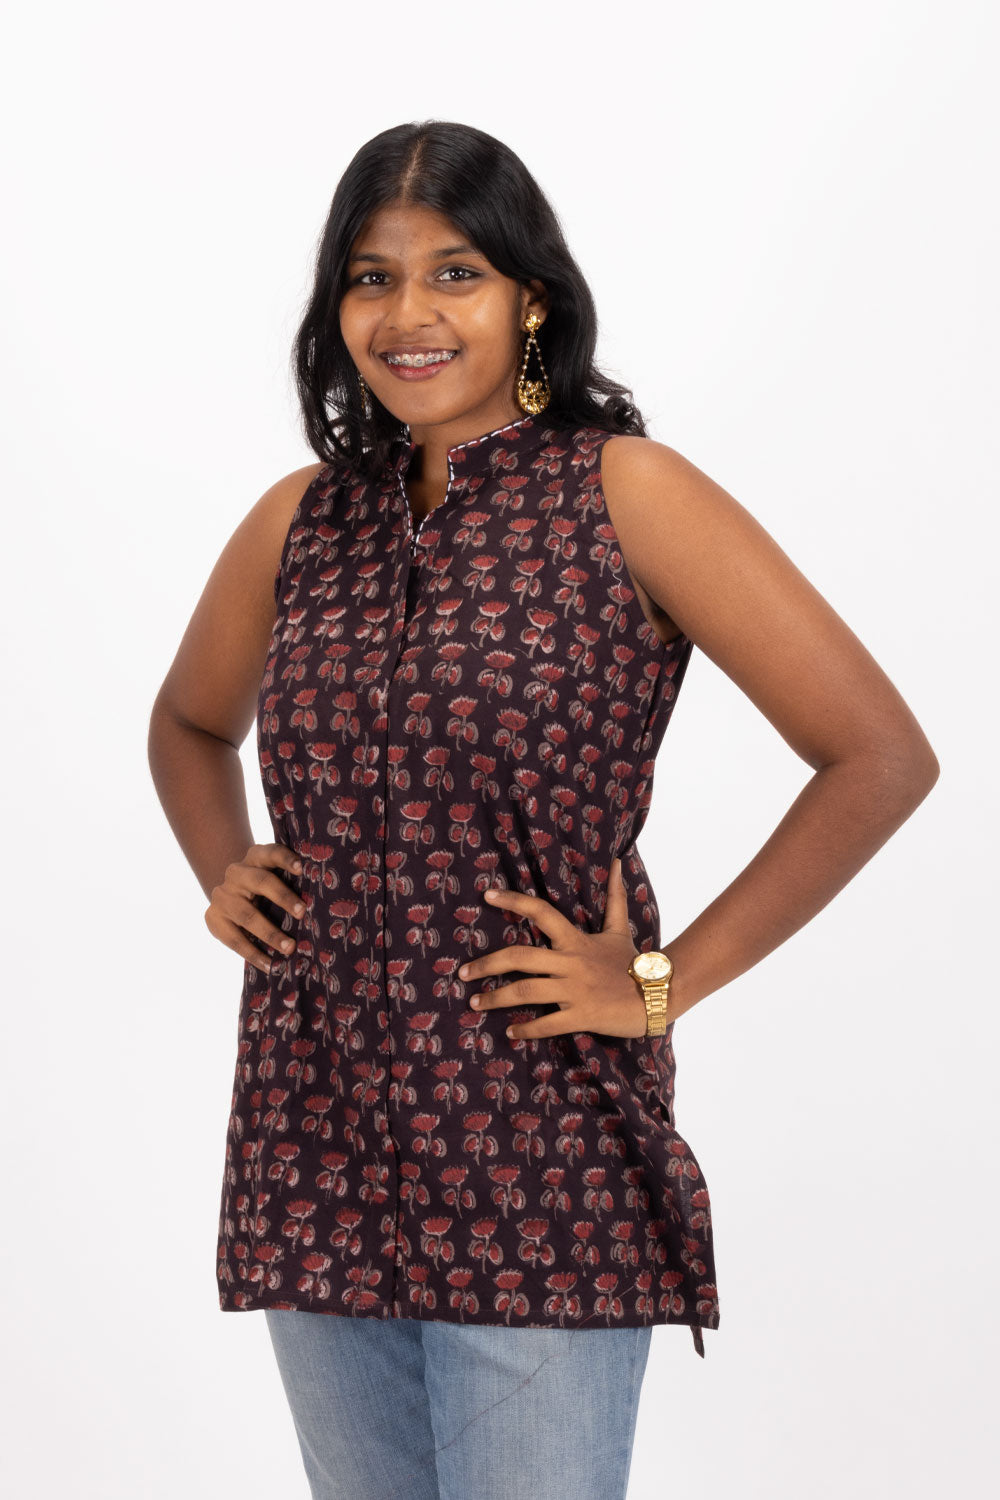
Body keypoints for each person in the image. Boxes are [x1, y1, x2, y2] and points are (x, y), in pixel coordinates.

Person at [147, 119, 939, 1500]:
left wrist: (660, 983)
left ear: (532, 298)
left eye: (455, 273)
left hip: (539, 1148)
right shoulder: (303, 521)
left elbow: (877, 755)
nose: (408, 314)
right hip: (315, 1136)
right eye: (372, 277)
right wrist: (228, 868)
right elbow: (189, 724)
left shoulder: (627, 493)